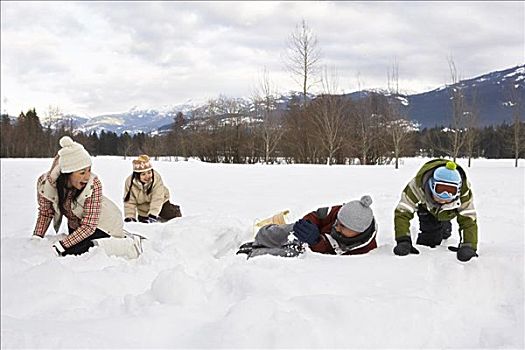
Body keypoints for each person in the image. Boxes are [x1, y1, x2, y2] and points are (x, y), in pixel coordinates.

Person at [32, 136, 143, 259]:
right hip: (80, 226)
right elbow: (46, 213)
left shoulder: (93, 184)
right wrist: (36, 237)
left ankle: (128, 245)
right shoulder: (45, 185)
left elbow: (89, 226)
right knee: (72, 250)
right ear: (67, 173)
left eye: (89, 170)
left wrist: (61, 245)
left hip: (105, 223)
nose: (87, 177)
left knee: (82, 250)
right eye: (82, 173)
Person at [237, 195, 378, 258]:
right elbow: (317, 215)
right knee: (287, 230)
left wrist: (316, 242)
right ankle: (260, 239)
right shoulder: (339, 212)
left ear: (358, 232)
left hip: (314, 249)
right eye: (337, 222)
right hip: (312, 235)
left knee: (292, 254)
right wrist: (308, 226)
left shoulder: (364, 249)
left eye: (343, 227)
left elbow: (332, 258)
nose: (336, 227)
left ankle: (255, 254)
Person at [392, 159, 478, 262]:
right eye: (440, 189)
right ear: (432, 184)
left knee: (444, 231)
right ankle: (438, 228)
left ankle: (445, 226)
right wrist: (403, 240)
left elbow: (468, 220)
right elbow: (403, 211)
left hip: (449, 211)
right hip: (428, 208)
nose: (444, 196)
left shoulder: (464, 193)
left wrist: (468, 246)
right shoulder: (417, 186)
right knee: (430, 239)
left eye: (451, 191)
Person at [123, 155, 181, 223]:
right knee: (144, 224)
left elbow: (157, 198)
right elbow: (129, 201)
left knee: (169, 214)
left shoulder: (156, 179)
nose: (147, 176)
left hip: (161, 202)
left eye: (149, 172)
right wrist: (130, 216)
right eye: (143, 174)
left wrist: (153, 214)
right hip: (143, 208)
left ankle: (175, 211)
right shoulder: (130, 183)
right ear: (137, 175)